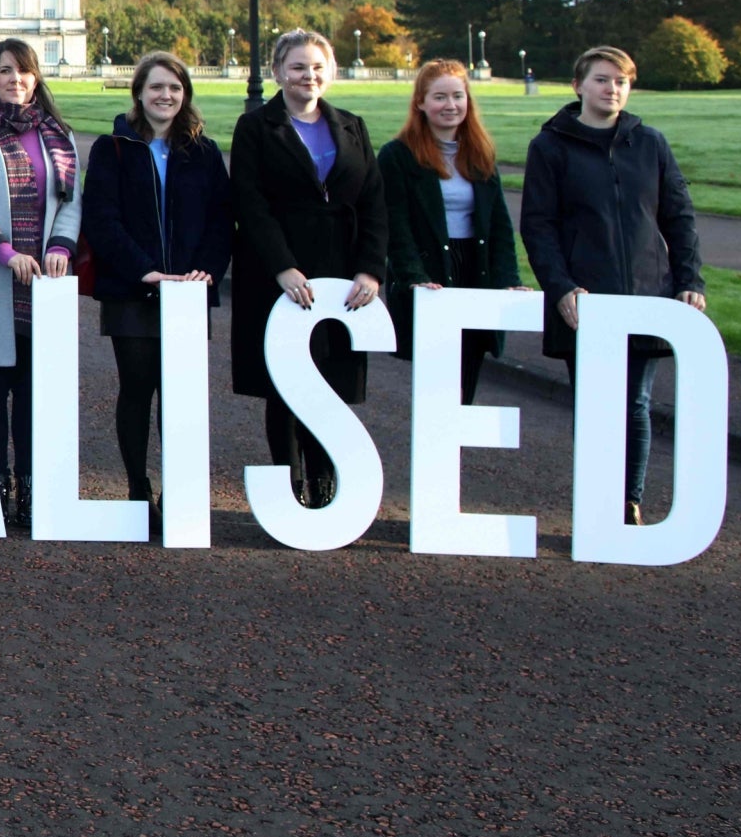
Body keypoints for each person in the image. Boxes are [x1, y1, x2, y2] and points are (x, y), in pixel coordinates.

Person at [519, 45, 704, 527]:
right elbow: (538, 227)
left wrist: (689, 281)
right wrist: (560, 288)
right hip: (584, 299)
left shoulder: (651, 144)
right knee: (597, 403)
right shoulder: (550, 147)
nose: (612, 89)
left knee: (637, 403)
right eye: (602, 80)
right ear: (579, 85)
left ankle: (629, 502)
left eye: (621, 81)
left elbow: (679, 218)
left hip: (648, 295)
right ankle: (598, 500)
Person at [229, 28, 386, 510]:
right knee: (285, 382)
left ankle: (323, 478)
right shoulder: (256, 126)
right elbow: (250, 204)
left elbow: (375, 201)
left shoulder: (352, 125)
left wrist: (372, 270)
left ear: (330, 72)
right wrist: (282, 267)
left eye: (317, 67)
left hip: (341, 271)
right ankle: (289, 481)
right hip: (278, 272)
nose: (308, 76)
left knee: (330, 379)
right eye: (298, 67)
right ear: (279, 72)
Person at [80, 51, 230, 538]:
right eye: (157, 87)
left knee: (180, 397)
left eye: (175, 88)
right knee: (138, 390)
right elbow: (102, 220)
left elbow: (220, 222)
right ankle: (138, 488)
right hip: (133, 291)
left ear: (184, 95)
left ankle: (177, 489)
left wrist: (205, 271)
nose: (166, 96)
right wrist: (145, 272)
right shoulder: (113, 147)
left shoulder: (202, 151)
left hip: (188, 291)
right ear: (139, 94)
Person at [0, 38, 84, 532]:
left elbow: (71, 202)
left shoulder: (58, 136)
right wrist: (5, 251)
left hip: (41, 284)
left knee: (32, 394)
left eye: (23, 72)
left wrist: (60, 247)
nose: (15, 80)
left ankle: (29, 485)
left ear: (35, 79)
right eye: (5, 72)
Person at [378, 59, 523, 407]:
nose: (451, 105)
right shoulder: (398, 156)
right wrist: (414, 276)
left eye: (458, 96)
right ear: (421, 103)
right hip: (431, 274)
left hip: (476, 270)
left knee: (467, 380)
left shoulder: (480, 153)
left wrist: (508, 279)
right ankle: (432, 457)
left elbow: (499, 225)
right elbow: (395, 226)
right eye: (440, 97)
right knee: (438, 387)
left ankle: (454, 457)